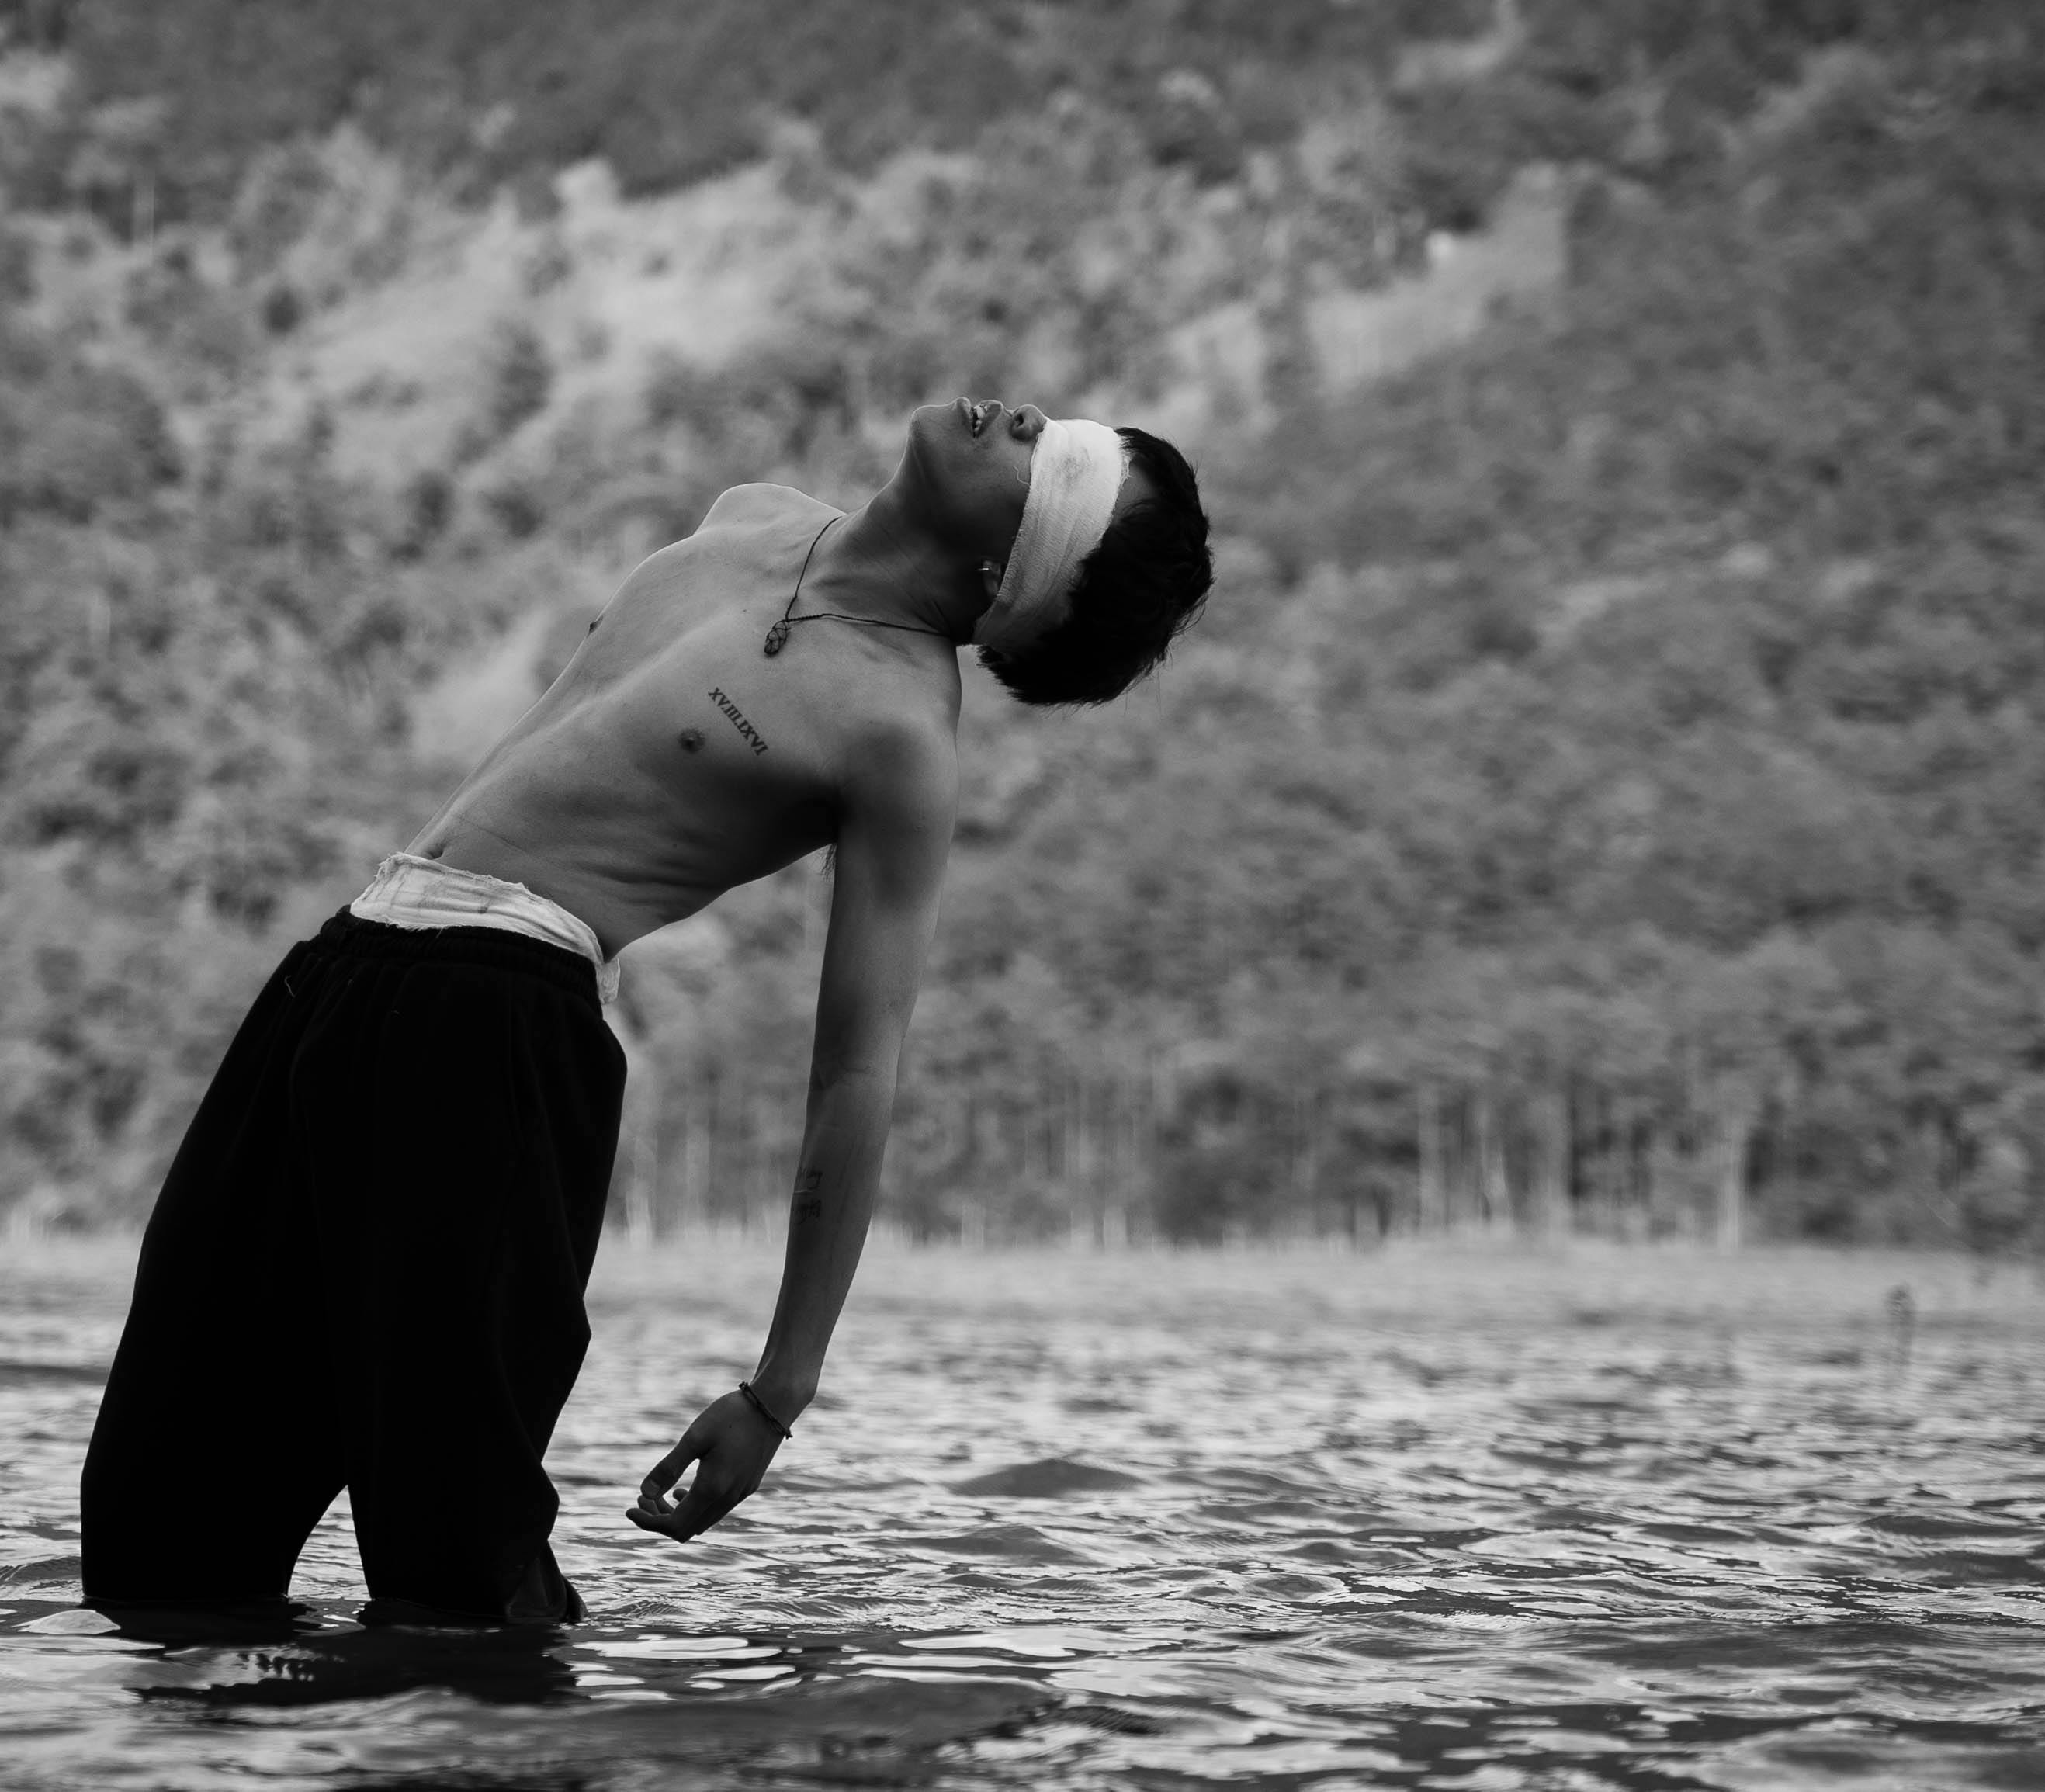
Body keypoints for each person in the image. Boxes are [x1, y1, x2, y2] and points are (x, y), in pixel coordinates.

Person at [77, 399, 1214, 1627]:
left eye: (1056, 467)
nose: (1027, 418)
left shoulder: (896, 734)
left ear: (1013, 573)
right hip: (345, 966)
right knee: (158, 1528)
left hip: (496, 1018)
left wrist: (778, 1391)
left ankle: (521, 1746)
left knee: (453, 1552)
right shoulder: (755, 518)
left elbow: (857, 1070)